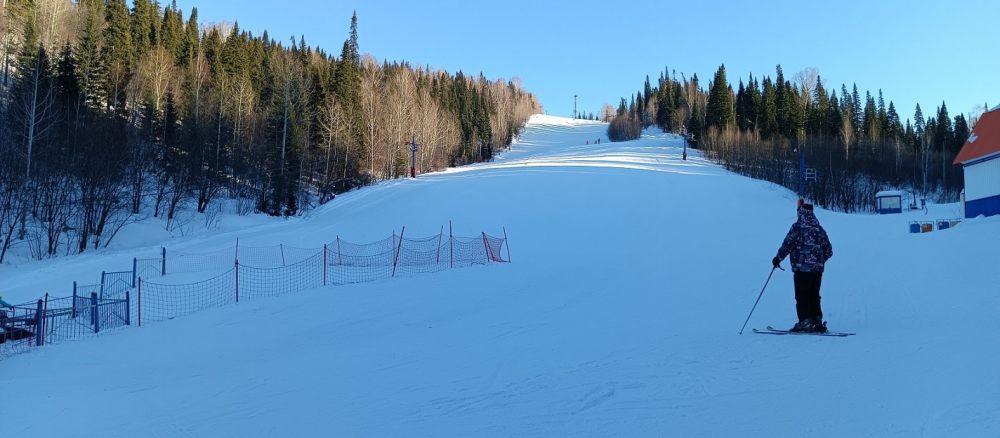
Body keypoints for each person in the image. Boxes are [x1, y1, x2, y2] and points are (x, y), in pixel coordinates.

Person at [772, 200, 833, 332]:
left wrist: (778, 258)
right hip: (817, 270)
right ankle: (816, 320)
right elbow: (829, 249)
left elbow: (788, 244)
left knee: (802, 295)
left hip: (802, 268)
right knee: (814, 294)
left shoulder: (797, 227)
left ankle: (805, 321)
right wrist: (819, 261)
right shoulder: (819, 228)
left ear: (800, 212)